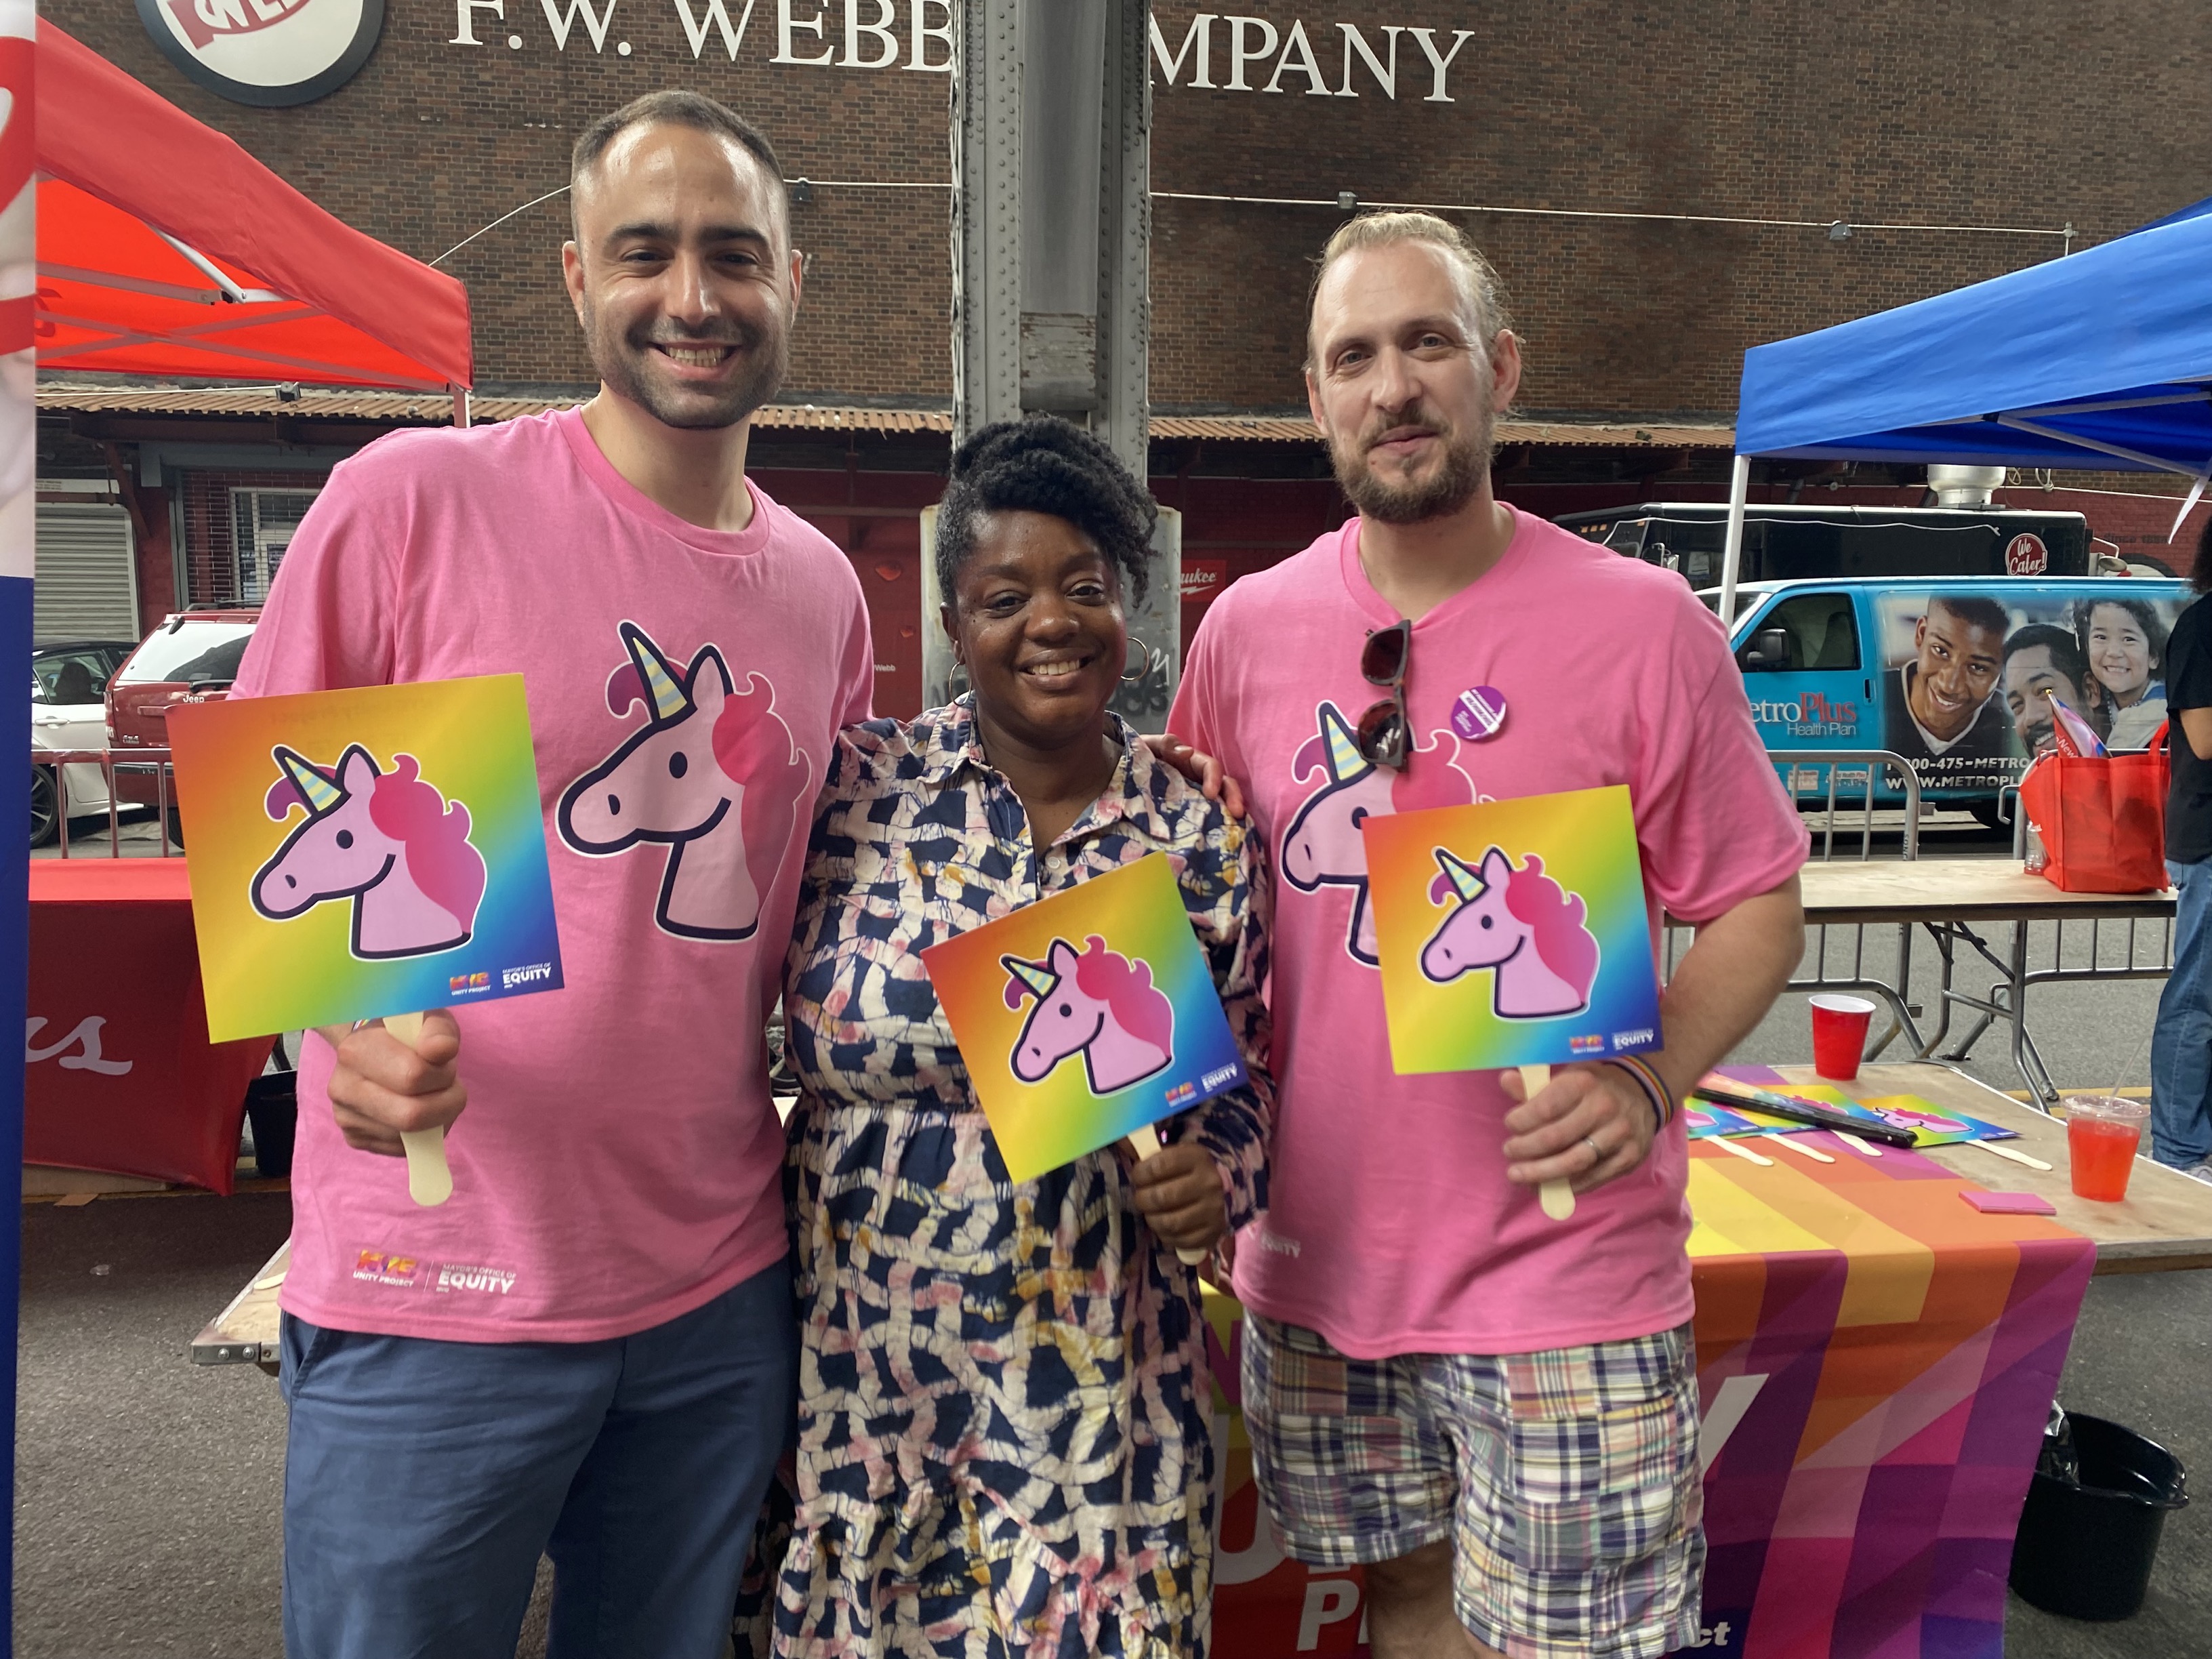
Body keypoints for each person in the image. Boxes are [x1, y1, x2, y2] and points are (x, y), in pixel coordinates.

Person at [228, 92, 876, 1658]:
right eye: (645, 252)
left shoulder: (820, 589)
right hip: (433, 1280)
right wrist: (331, 1027)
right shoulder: (413, 502)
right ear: (578, 279)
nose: (694, 295)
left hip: (715, 1294)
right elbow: (267, 833)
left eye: (734, 253)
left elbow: (834, 905)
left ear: (794, 279)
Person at [1166, 211, 1807, 1659]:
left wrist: (1648, 1080)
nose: (1391, 386)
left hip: (1564, 1276)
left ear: (1500, 369)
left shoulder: (1646, 626)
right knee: (1401, 1602)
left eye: (1426, 342)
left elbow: (1760, 898)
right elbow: (1198, 902)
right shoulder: (1246, 633)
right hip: (1318, 1268)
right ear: (1314, 398)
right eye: (1354, 356)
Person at [762, 417, 1271, 1655]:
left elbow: (1247, 1082)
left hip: (1099, 1385)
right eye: (1004, 595)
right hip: (868, 1385)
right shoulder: (855, 791)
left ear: (1127, 606)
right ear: (952, 625)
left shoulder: (1193, 830)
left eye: (1083, 586)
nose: (1049, 620)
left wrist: (1220, 1178)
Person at [2151, 520, 2212, 1180]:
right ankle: (2178, 1149)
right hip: (2207, 838)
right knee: (2198, 998)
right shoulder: (2201, 628)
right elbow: (2205, 737)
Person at [1881, 595, 2012, 773]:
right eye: (1940, 651)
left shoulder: (2014, 727)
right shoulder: (1872, 696)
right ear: (1921, 634)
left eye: (1978, 667)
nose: (1950, 686)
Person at [2003, 623, 2109, 757]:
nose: (2030, 718)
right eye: (2017, 705)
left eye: (2044, 691)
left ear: (2090, 691)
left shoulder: (2139, 767)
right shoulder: (2026, 778)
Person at [2078, 596, 2169, 751]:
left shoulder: (2160, 706)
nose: (2114, 652)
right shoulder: (2091, 693)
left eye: (2129, 639)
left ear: (2153, 656)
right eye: (2101, 637)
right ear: (2087, 649)